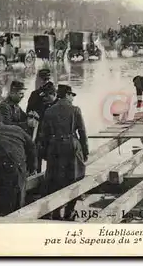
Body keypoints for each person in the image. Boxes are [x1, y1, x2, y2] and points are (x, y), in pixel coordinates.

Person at [41, 84, 88, 220]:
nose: (72, 99)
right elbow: (82, 132)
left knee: (55, 179)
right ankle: (69, 211)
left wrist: (45, 153)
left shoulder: (49, 111)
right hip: (71, 146)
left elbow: (43, 135)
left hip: (54, 147)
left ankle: (56, 212)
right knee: (74, 177)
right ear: (67, 95)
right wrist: (85, 151)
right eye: (71, 95)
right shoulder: (75, 110)